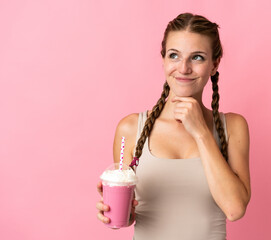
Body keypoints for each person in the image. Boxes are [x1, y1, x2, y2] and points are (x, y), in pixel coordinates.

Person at [96, 12, 251, 240]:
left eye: (197, 57)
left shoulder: (233, 127)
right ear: (163, 60)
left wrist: (200, 132)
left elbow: (235, 209)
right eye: (174, 55)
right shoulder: (131, 129)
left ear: (214, 64)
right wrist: (123, 214)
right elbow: (132, 213)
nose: (184, 68)